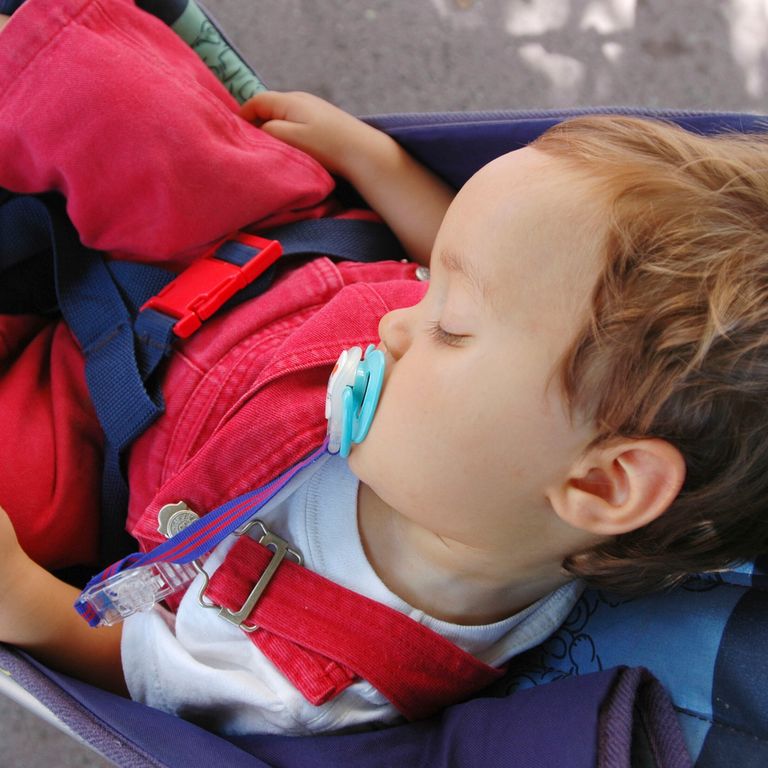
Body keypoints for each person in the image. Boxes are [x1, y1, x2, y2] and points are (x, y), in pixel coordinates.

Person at [1, 0, 768, 737]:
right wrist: (375, 158)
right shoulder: (529, 403)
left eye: (451, 328)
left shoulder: (330, 668)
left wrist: (30, 603)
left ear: (600, 484)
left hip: (111, 434)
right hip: (268, 244)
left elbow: (147, 670)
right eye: (433, 290)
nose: (399, 322)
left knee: (29, 497)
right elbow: (470, 260)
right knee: (114, 94)